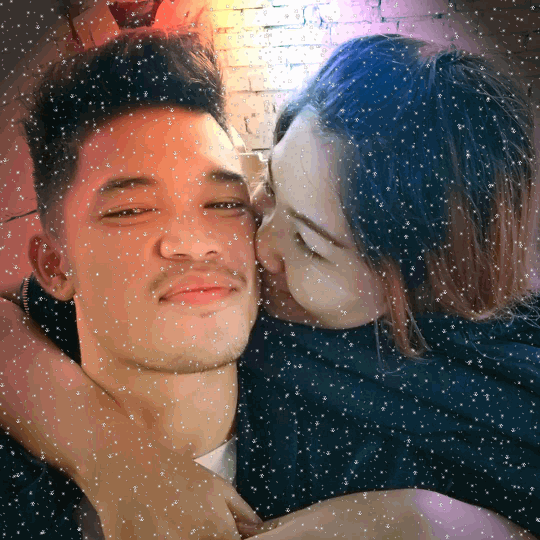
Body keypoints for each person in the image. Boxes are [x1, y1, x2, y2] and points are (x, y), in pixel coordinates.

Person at [2, 33, 540, 539]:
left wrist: (429, 520)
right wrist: (119, 461)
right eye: (267, 188)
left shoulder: (458, 412)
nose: (258, 243)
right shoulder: (92, 322)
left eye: (310, 243)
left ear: (404, 292)